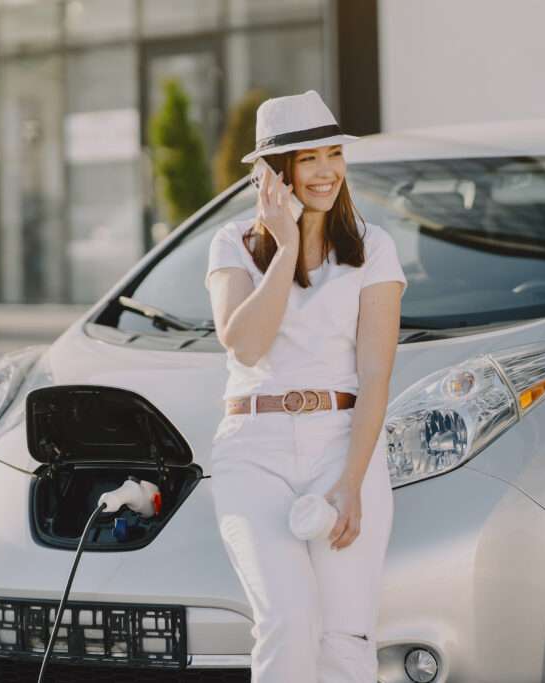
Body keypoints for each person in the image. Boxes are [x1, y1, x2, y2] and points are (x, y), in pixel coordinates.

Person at [203, 89, 407, 682]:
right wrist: (285, 247)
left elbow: (375, 374)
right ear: (275, 174)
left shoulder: (373, 249)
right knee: (287, 621)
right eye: (307, 158)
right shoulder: (232, 245)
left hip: (342, 444)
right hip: (252, 448)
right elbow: (244, 343)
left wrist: (351, 481)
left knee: (344, 640)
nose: (325, 172)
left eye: (332, 154)